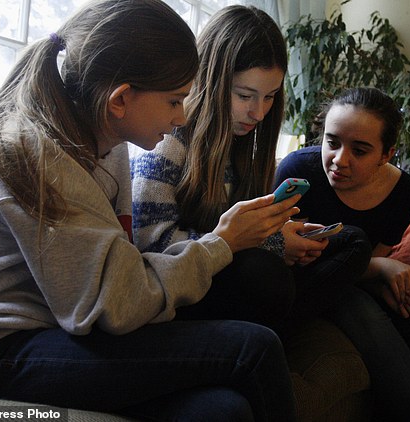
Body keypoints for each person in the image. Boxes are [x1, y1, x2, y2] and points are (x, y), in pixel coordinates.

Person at [0, 1, 300, 421]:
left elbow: (118, 274)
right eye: (174, 100)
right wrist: (221, 244)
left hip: (53, 329)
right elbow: (114, 304)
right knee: (253, 349)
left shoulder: (105, 149)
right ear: (121, 99)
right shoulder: (31, 151)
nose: (182, 116)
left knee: (223, 410)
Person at [131, 5, 370, 332]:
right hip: (182, 286)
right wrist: (268, 242)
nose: (258, 113)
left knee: (352, 241)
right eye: (245, 95)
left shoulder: (239, 144)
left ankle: (272, 327)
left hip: (227, 275)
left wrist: (282, 235)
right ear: (211, 80)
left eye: (270, 97)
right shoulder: (166, 140)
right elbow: (151, 248)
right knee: (264, 274)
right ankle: (271, 332)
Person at [275, 87, 410, 421]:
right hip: (308, 280)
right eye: (332, 143)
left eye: (359, 151)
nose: (340, 160)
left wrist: (384, 271)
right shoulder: (299, 172)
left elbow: (369, 260)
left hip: (357, 276)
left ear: (386, 154)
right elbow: (287, 257)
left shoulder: (404, 192)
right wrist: (384, 268)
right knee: (357, 305)